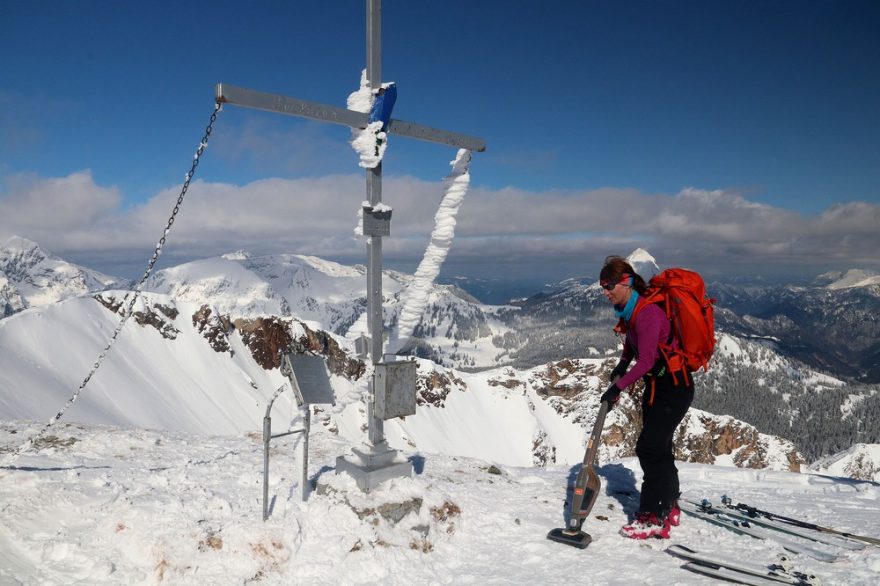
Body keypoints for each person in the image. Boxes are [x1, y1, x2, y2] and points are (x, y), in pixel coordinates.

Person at [598, 255, 694, 539]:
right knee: (659, 448)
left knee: (650, 449)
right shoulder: (631, 311)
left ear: (626, 283)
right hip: (660, 387)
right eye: (602, 286)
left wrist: (618, 387)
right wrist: (620, 364)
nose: (605, 291)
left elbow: (648, 360)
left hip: (673, 387)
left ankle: (653, 516)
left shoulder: (648, 313)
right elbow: (632, 344)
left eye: (609, 285)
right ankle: (669, 504)